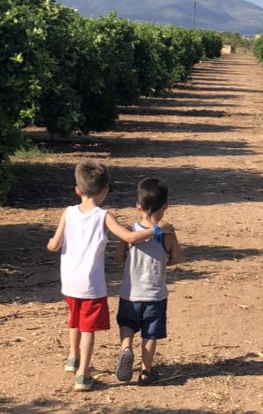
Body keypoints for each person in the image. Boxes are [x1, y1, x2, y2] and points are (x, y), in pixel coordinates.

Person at [46, 160, 160, 392]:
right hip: (91, 285)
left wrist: (49, 242)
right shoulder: (104, 216)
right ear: (105, 190)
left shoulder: (67, 213)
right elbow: (128, 238)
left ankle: (72, 358)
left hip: (68, 282)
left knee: (74, 320)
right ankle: (83, 375)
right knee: (88, 329)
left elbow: (54, 245)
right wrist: (156, 230)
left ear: (77, 190)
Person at [114, 177, 181, 385]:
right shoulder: (167, 235)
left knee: (127, 325)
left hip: (130, 292)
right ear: (166, 207)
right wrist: (164, 260)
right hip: (155, 295)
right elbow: (177, 258)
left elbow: (119, 257)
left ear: (138, 206)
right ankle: (145, 371)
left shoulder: (130, 231)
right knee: (150, 334)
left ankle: (126, 348)